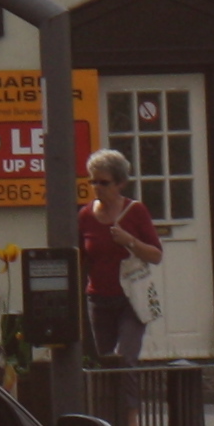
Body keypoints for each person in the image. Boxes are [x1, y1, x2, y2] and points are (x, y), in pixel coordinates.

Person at [78, 150, 165, 364]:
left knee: (125, 359)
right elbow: (81, 258)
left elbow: (156, 255)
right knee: (106, 362)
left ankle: (130, 399)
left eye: (104, 182)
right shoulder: (86, 215)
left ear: (120, 184)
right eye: (93, 181)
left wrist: (130, 241)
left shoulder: (135, 211)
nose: (97, 187)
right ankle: (109, 399)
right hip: (98, 300)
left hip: (131, 298)